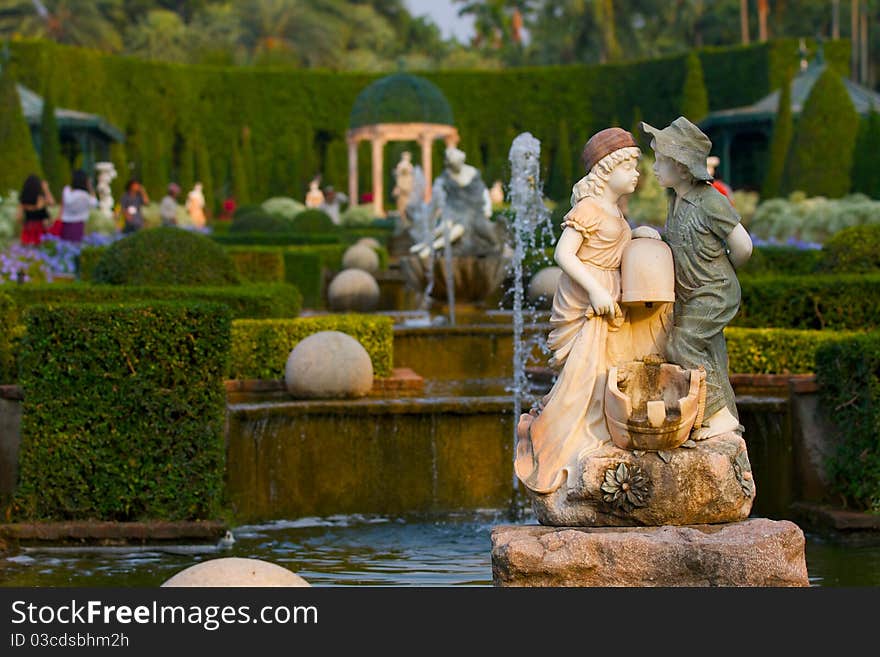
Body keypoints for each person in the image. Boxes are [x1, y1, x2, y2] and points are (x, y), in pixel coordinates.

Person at [514, 128, 668, 495]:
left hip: (608, 301)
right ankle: (554, 443)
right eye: (629, 166)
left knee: (606, 372)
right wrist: (597, 289)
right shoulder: (588, 208)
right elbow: (562, 255)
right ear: (605, 168)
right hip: (587, 303)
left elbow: (616, 245)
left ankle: (599, 433)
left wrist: (641, 233)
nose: (636, 173)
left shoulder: (613, 210)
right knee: (582, 379)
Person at [641, 117, 752, 440]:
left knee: (682, 342)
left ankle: (718, 414)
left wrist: (723, 270)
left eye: (661, 161)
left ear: (683, 166)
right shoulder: (675, 200)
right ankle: (725, 418)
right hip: (692, 292)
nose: (655, 167)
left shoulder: (711, 201)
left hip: (714, 290)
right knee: (713, 355)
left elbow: (743, 246)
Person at [59, 169, 97, 243]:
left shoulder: (67, 191)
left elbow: (63, 204)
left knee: (65, 247)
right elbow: (95, 203)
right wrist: (90, 187)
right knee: (76, 247)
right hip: (79, 225)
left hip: (66, 225)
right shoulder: (85, 196)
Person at [17, 174, 54, 246]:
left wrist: (23, 223)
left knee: (27, 253)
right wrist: (46, 189)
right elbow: (52, 203)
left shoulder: (23, 200)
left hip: (28, 228)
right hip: (41, 228)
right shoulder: (40, 199)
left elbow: (18, 217)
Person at [392, 151, 414, 225]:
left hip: (407, 188)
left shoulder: (409, 165)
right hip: (403, 188)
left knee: (407, 204)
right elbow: (398, 176)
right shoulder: (401, 165)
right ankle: (403, 220)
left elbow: (411, 176)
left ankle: (406, 220)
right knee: (402, 205)